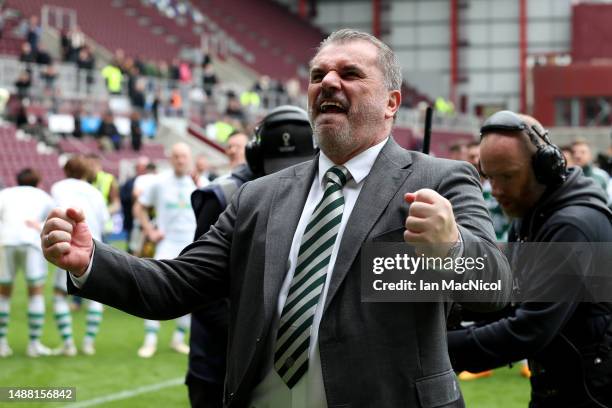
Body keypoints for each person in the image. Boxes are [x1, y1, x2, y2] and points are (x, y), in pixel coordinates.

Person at [42, 29, 511, 407]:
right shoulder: (257, 198)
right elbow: (175, 286)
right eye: (318, 75)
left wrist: (451, 249)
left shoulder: (442, 178)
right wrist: (90, 261)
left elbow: (496, 287)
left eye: (350, 73)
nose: (329, 83)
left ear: (391, 102)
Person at [448, 111, 612, 407]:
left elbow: (530, 328)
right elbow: (511, 297)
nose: (495, 191)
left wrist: (439, 349)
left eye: (507, 176)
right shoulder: (531, 216)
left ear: (544, 168)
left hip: (589, 394)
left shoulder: (572, 226)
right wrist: (446, 313)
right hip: (560, 385)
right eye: (489, 176)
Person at [186, 105, 316, 408]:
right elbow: (200, 289)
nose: (288, 174)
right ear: (255, 156)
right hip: (220, 365)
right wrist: (260, 333)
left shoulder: (317, 190)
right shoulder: (221, 197)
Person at [133, 143, 197, 358]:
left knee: (190, 294)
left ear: (189, 158)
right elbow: (139, 206)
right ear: (171, 159)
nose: (180, 160)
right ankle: (149, 341)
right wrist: (149, 230)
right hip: (166, 245)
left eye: (184, 156)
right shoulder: (159, 183)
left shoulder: (199, 183)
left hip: (191, 246)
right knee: (154, 290)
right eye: (177, 156)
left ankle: (179, 339)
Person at [50, 156, 109, 356]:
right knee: (96, 296)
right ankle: (88, 343)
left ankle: (68, 344)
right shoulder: (96, 192)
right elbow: (104, 221)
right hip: (94, 245)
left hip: (67, 244)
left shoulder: (58, 187)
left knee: (59, 295)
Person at [0, 168, 55, 357]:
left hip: (6, 242)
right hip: (31, 243)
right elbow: (52, 222)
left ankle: (1, 344)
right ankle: (34, 344)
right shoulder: (43, 196)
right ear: (38, 181)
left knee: (4, 293)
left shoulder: (5, 194)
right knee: (35, 291)